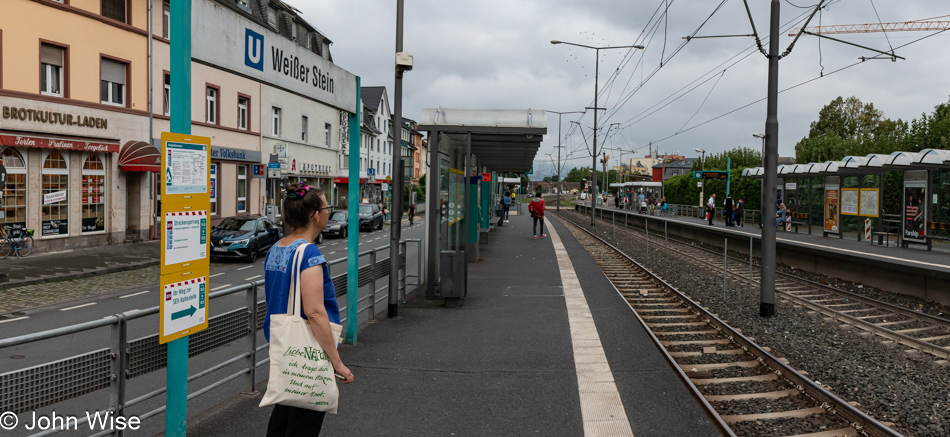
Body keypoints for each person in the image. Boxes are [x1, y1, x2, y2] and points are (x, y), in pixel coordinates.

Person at [263, 183, 354, 437]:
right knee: (302, 425)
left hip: (285, 350)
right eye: (327, 208)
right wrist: (337, 363)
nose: (328, 213)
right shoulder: (309, 254)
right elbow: (314, 312)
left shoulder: (276, 249)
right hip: (307, 353)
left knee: (282, 423)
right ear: (315, 214)